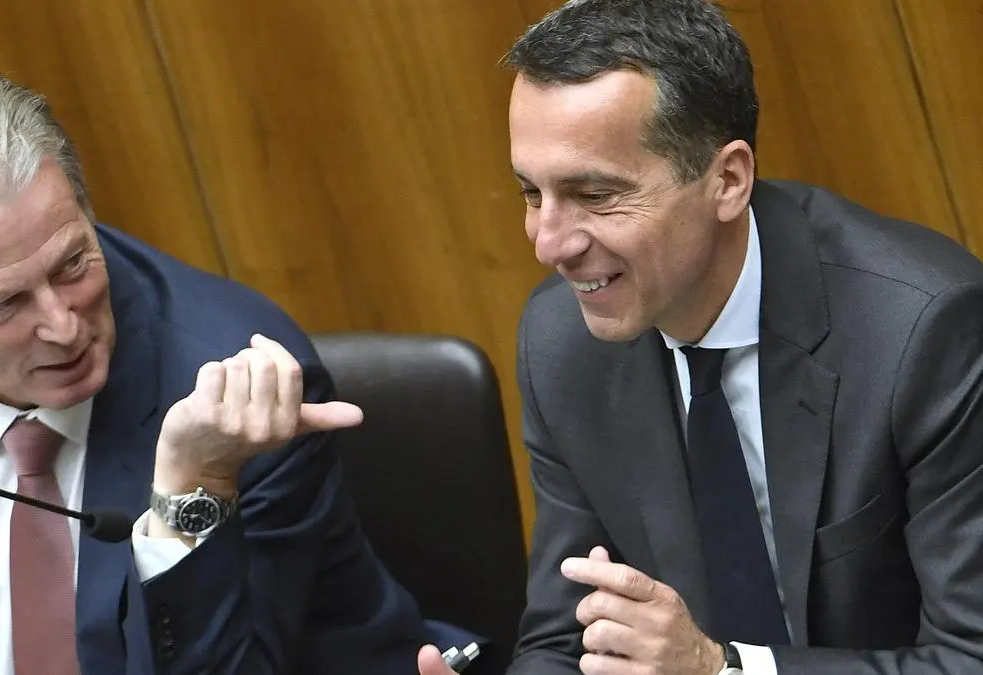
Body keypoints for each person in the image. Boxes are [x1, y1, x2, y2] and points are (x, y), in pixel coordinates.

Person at [0, 70, 476, 675]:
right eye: (4, 304)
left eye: (72, 264)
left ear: (86, 213)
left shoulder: (229, 382)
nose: (63, 324)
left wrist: (196, 485)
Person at [415, 0, 983, 674]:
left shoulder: (922, 332)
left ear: (728, 180)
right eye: (532, 194)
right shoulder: (562, 340)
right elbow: (569, 639)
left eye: (594, 195)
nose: (548, 244)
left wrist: (722, 669)